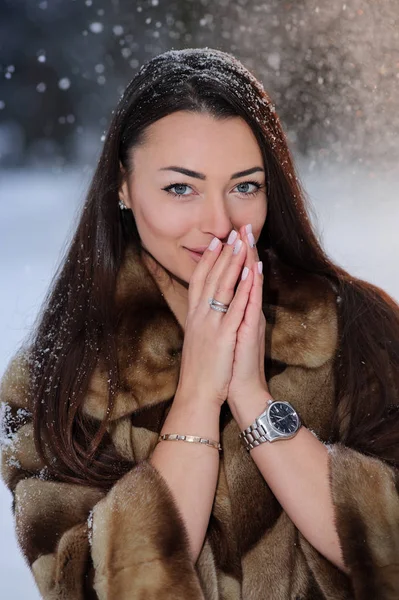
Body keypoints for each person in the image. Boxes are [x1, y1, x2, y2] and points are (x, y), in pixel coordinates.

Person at [1, 47, 398, 600]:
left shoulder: (363, 330)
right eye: (180, 187)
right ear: (122, 185)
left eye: (244, 186)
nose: (219, 222)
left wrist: (252, 396)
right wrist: (196, 396)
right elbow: (89, 589)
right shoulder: (60, 376)